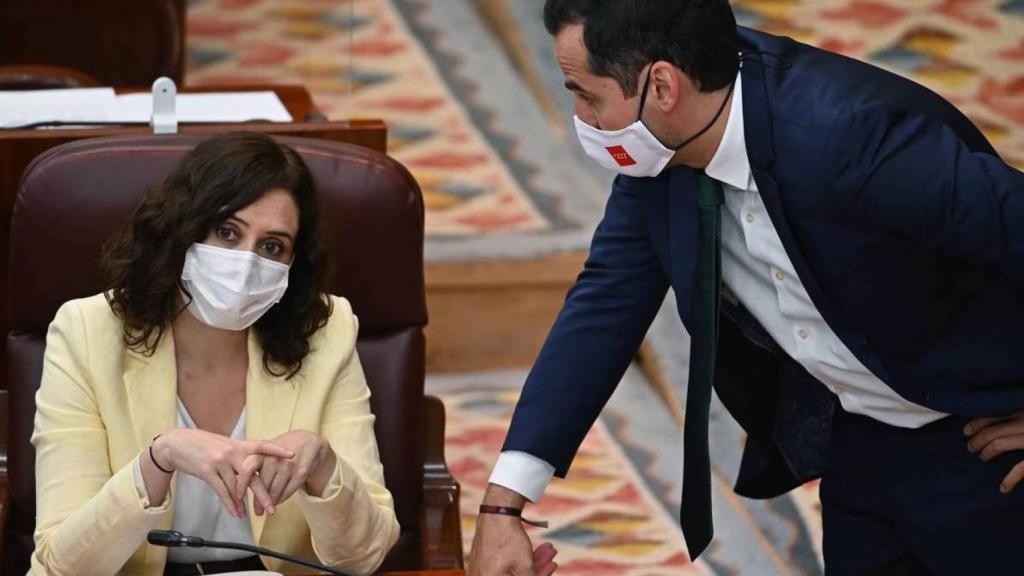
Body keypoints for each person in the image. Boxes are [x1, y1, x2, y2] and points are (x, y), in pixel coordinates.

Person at [468, 1, 1024, 575]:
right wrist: (504, 503)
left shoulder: (853, 137)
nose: (580, 117)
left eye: (587, 95)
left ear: (662, 86)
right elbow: (605, 304)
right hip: (860, 445)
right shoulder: (659, 157)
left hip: (984, 447)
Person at [31, 132, 400, 575]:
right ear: (184, 227)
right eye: (227, 233)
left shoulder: (325, 330)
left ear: (292, 263)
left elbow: (365, 557)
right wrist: (158, 460)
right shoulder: (87, 332)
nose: (245, 263)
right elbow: (60, 566)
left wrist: (324, 468)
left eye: (271, 247)